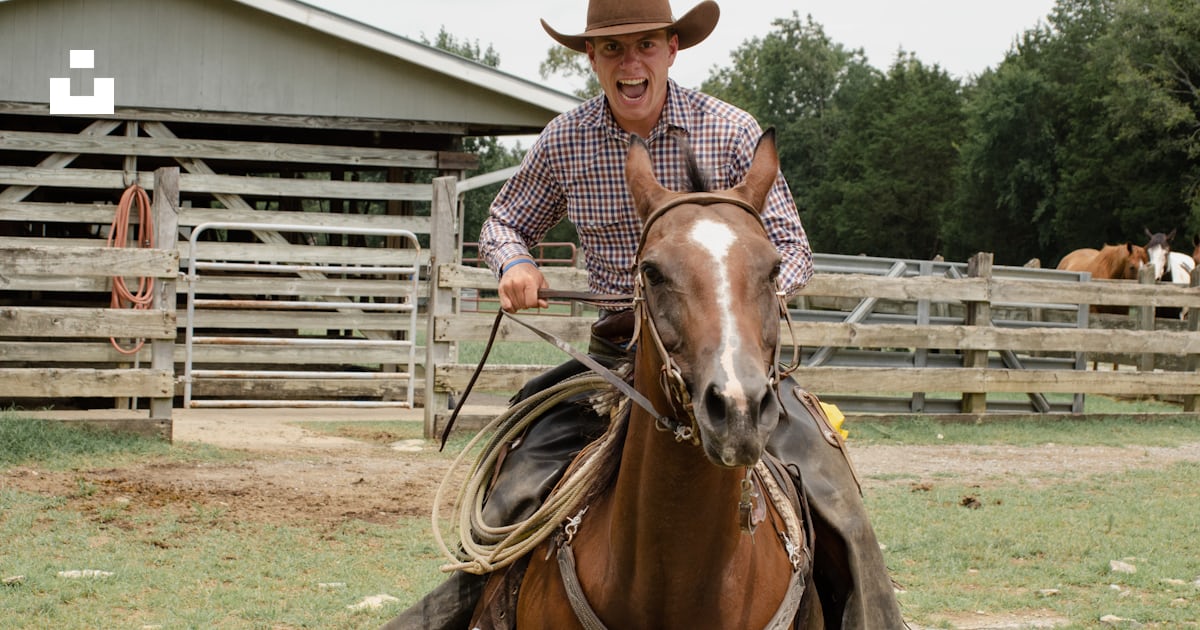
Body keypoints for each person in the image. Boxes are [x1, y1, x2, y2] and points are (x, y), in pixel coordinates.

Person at [384, 1, 906, 628]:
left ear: (671, 50)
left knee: (832, 489)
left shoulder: (731, 131)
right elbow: (503, 221)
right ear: (591, 58)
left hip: (733, 352)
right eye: (612, 49)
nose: (631, 63)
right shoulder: (567, 140)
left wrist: (743, 295)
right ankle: (460, 613)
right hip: (618, 357)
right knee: (514, 488)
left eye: (645, 46)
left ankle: (874, 619)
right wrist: (514, 263)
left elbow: (791, 246)